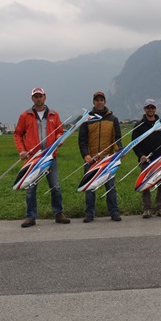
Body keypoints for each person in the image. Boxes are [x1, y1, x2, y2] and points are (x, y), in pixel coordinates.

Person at [14, 87, 70, 228]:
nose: (38, 99)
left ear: (45, 97)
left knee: (55, 187)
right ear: (32, 98)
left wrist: (59, 139)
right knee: (30, 189)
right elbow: (18, 134)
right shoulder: (25, 116)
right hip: (33, 159)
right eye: (36, 96)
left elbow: (59, 131)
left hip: (50, 157)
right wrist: (22, 150)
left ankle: (59, 214)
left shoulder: (54, 115)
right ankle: (30, 217)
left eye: (40, 96)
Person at [78, 91, 123, 222]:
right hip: (91, 160)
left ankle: (114, 212)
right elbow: (82, 140)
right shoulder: (87, 119)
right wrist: (86, 155)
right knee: (90, 187)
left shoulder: (113, 119)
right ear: (94, 102)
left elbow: (117, 138)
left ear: (105, 102)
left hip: (107, 160)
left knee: (110, 187)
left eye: (101, 100)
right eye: (97, 100)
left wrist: (119, 151)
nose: (99, 102)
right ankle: (89, 213)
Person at [132, 99, 161, 218]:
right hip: (146, 161)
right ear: (144, 109)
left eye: (152, 107)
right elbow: (135, 143)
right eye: (148, 107)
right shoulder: (139, 126)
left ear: (155, 109)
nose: (150, 110)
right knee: (146, 185)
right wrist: (140, 155)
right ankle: (147, 209)